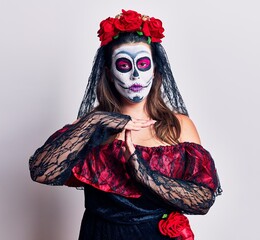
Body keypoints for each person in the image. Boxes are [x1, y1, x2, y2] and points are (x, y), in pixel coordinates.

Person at [29, 9, 222, 240]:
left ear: (155, 69)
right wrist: (96, 120)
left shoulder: (178, 125)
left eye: (142, 64)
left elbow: (203, 200)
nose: (135, 75)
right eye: (123, 65)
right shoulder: (89, 127)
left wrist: (143, 174)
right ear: (109, 73)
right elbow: (41, 172)